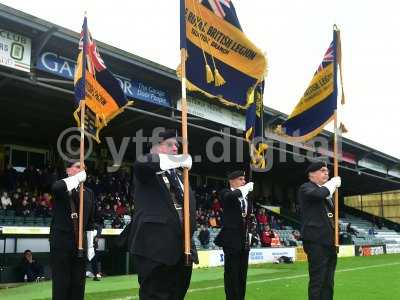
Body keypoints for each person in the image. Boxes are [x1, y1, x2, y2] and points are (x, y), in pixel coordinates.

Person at [128, 129, 197, 300]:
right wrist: (177, 160)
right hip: (155, 249)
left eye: (177, 145)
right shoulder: (147, 168)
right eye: (170, 144)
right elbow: (143, 163)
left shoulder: (181, 176)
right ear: (155, 147)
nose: (176, 148)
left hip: (182, 249)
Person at [50, 161, 96, 300]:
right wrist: (75, 179)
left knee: (78, 285)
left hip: (80, 245)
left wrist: (90, 244)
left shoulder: (89, 193)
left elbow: (90, 222)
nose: (81, 170)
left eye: (83, 168)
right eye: (77, 167)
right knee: (62, 284)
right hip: (62, 243)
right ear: (68, 170)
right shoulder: (63, 186)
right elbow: (56, 188)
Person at [298, 161, 341, 300]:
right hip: (316, 241)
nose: (327, 173)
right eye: (322, 170)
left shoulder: (326, 193)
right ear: (311, 174)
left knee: (328, 282)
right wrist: (332, 183)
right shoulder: (306, 188)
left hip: (329, 242)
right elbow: (318, 194)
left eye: (327, 170)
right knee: (318, 281)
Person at [214, 170, 254, 300]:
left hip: (244, 241)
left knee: (242, 275)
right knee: (232, 274)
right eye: (241, 179)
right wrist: (245, 189)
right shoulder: (225, 193)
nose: (244, 182)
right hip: (231, 241)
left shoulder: (247, 197)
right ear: (232, 180)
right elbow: (230, 197)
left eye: (244, 179)